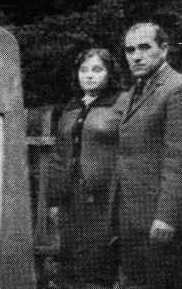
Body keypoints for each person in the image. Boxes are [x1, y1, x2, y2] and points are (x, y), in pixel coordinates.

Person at [117, 22, 182, 289]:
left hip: (162, 220)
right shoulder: (135, 91)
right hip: (133, 217)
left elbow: (180, 162)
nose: (136, 56)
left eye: (145, 47)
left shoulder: (181, 89)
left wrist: (166, 217)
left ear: (164, 49)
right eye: (130, 50)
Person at [49, 48, 127, 289]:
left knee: (97, 260)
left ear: (110, 73)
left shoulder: (123, 103)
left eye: (97, 70)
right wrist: (53, 198)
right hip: (69, 196)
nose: (89, 76)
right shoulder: (71, 108)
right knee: (69, 258)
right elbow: (59, 155)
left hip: (104, 197)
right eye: (83, 70)